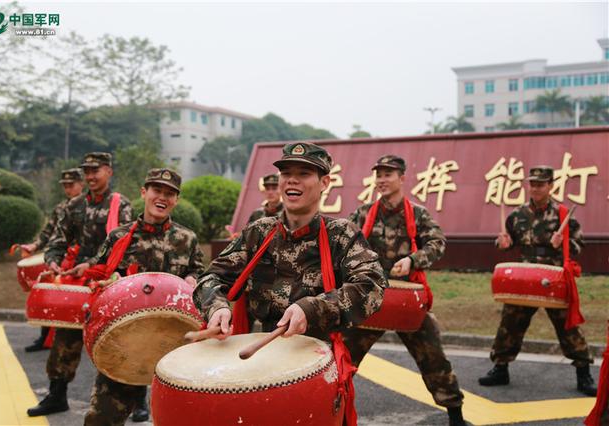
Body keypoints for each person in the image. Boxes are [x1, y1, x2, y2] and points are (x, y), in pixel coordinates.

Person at [193, 142, 385, 424]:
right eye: (286, 173)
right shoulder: (258, 232)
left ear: (324, 183)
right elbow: (210, 277)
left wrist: (312, 308)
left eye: (304, 173)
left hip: (319, 362)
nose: (292, 180)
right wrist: (217, 307)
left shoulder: (340, 235)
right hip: (264, 359)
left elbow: (372, 287)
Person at [345, 155, 465, 426]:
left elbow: (438, 243)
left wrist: (413, 260)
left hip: (407, 300)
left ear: (402, 178)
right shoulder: (363, 213)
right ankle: (333, 412)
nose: (382, 180)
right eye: (379, 174)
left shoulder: (418, 214)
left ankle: (455, 414)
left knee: (433, 356)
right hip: (370, 298)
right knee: (343, 357)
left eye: (388, 174)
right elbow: (342, 244)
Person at [78, 168, 204, 426]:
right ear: (144, 192)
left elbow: (200, 276)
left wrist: (193, 280)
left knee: (178, 418)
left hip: (174, 341)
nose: (163, 197)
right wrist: (105, 282)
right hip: (125, 340)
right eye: (157, 190)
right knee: (103, 417)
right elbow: (99, 272)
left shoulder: (187, 239)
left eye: (170, 193)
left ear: (176, 200)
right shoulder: (120, 237)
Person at [27, 152, 135, 418]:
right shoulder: (74, 205)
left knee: (118, 340)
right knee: (65, 337)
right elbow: (58, 240)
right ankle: (57, 394)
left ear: (108, 171)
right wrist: (53, 260)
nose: (89, 176)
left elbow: (126, 246)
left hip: (110, 282)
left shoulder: (120, 205)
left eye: (95, 170)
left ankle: (138, 399)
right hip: (79, 283)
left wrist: (94, 265)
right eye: (86, 171)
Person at [478, 165, 597, 397]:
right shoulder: (518, 215)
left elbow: (579, 246)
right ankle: (501, 367)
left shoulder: (563, 214)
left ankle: (584, 373)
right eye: (532, 184)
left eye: (540, 184)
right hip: (525, 277)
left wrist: (563, 243)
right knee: (510, 322)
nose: (535, 188)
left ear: (551, 186)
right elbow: (507, 241)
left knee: (568, 326)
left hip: (554, 279)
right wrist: (501, 243)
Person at [21, 168, 84, 352]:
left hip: (84, 261)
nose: (67, 189)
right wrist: (34, 246)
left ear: (82, 184)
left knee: (82, 302)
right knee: (49, 296)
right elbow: (49, 232)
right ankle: (44, 338)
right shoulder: (61, 208)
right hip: (61, 259)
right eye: (65, 185)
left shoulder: (91, 206)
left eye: (71, 185)